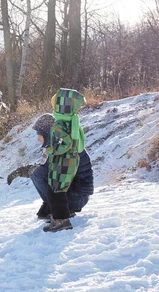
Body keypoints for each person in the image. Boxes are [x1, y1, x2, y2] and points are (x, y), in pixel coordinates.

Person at [7, 89, 94, 232]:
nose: (37, 138)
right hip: (76, 195)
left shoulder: (62, 151)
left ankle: (61, 214)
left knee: (39, 175)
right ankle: (56, 209)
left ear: (48, 134)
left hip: (77, 197)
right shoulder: (62, 147)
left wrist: (21, 172)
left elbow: (42, 171)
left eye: (39, 134)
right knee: (42, 175)